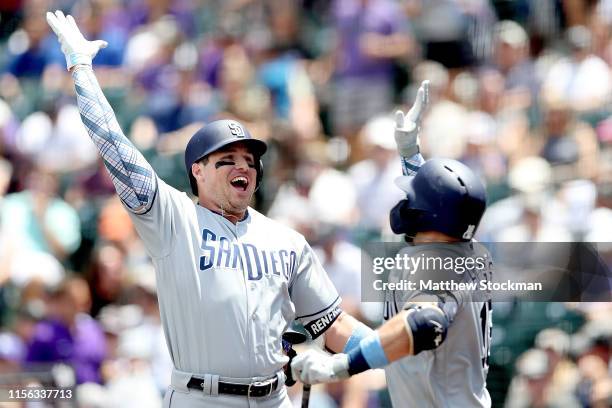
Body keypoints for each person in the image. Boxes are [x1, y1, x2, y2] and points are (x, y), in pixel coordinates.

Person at [46, 10, 376, 407]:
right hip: (201, 397)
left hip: (274, 398)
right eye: (227, 158)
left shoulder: (287, 241)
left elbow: (333, 324)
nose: (243, 166)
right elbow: (114, 145)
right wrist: (81, 68)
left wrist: (392, 348)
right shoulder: (173, 220)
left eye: (250, 160)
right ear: (197, 171)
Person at [291, 81, 494, 407]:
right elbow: (394, 345)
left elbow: (423, 324)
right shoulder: (459, 250)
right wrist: (411, 153)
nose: (407, 205)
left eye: (415, 201)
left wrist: (340, 366)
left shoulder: (435, 263)